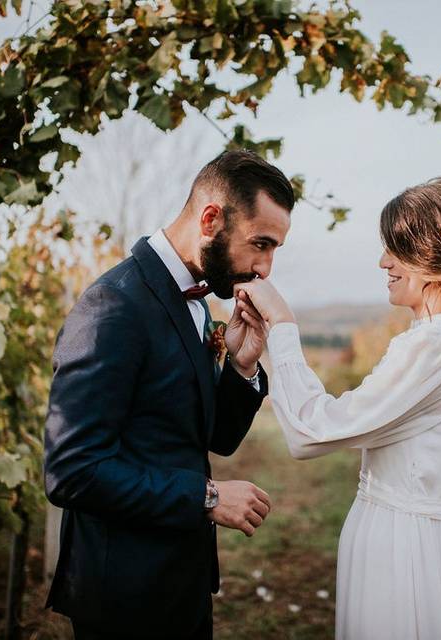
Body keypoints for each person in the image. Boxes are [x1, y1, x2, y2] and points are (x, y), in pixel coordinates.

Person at [234, 175, 441, 640]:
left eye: (395, 249)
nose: (383, 261)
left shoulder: (433, 347)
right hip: (429, 544)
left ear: (432, 256)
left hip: (401, 550)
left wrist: (281, 324)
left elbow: (313, 432)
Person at [43, 150, 294, 639]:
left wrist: (240, 368)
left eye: (274, 250)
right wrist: (208, 496)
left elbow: (211, 437)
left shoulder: (195, 301)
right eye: (260, 244)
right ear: (210, 219)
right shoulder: (113, 306)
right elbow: (72, 471)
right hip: (124, 595)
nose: (265, 268)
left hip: (181, 580)